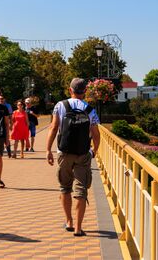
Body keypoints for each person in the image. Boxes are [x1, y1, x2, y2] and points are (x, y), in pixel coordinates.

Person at [46, 78, 100, 237]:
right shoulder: (90, 110)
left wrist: (48, 150)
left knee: (65, 188)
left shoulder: (60, 105)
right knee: (81, 191)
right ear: (85, 92)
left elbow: (53, 128)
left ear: (70, 90)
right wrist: (93, 152)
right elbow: (96, 135)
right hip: (83, 154)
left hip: (64, 153)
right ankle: (78, 227)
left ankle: (68, 221)